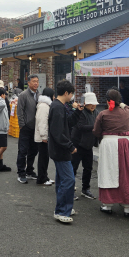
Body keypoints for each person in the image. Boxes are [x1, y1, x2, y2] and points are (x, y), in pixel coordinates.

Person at [93, 89, 129, 216]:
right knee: (126, 174)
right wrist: (123, 105)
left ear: (107, 101)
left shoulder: (103, 114)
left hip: (108, 144)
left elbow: (96, 131)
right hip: (125, 144)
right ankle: (127, 207)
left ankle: (107, 205)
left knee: (108, 172)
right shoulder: (127, 113)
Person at [48, 80, 77, 224]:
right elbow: (58, 132)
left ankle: (63, 207)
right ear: (66, 93)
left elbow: (67, 124)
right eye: (71, 94)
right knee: (68, 179)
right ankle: (61, 210)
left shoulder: (59, 106)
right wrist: (70, 146)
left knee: (61, 179)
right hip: (61, 149)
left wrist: (77, 111)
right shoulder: (58, 107)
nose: (72, 97)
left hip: (57, 149)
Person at [72, 91, 99, 200]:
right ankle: (70, 189)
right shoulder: (81, 112)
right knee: (73, 167)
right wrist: (95, 127)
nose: (93, 106)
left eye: (94, 103)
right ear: (86, 103)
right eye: (90, 103)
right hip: (78, 143)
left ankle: (85, 189)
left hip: (89, 144)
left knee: (88, 167)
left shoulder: (97, 112)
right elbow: (80, 126)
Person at [16, 74, 40, 184]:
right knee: (23, 150)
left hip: (36, 128)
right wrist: (22, 125)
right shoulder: (23, 95)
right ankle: (21, 173)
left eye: (37, 81)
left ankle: (29, 170)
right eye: (34, 81)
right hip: (26, 127)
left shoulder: (39, 94)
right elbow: (19, 111)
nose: (36, 83)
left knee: (33, 150)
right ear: (28, 83)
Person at [34, 87, 55, 186]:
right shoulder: (44, 106)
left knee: (45, 157)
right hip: (42, 137)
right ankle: (41, 178)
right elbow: (42, 122)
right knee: (43, 158)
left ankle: (44, 176)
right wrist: (44, 136)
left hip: (44, 136)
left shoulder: (45, 105)